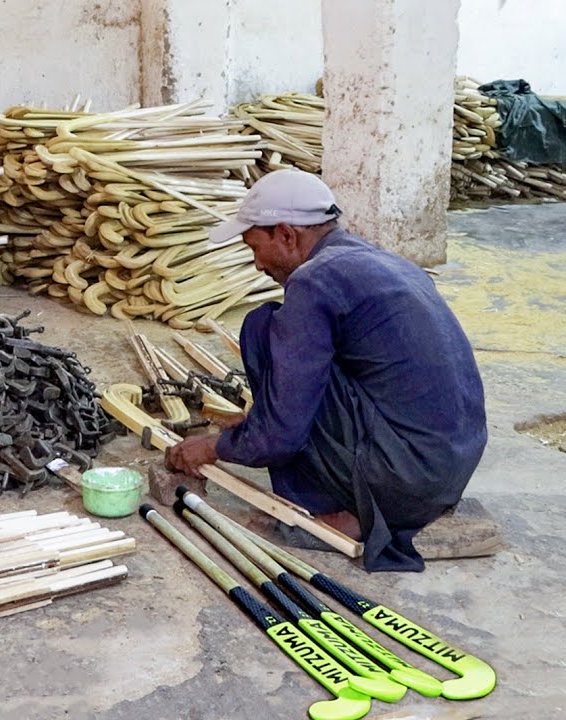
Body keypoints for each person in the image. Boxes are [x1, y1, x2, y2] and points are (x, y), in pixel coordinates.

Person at [164, 170, 487, 572]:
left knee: (263, 327)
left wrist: (214, 448)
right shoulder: (378, 261)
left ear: (287, 234)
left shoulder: (314, 281)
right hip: (449, 468)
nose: (257, 264)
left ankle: (343, 509)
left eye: (254, 247)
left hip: (403, 479)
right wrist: (252, 421)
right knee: (290, 359)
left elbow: (280, 437)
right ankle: (380, 499)